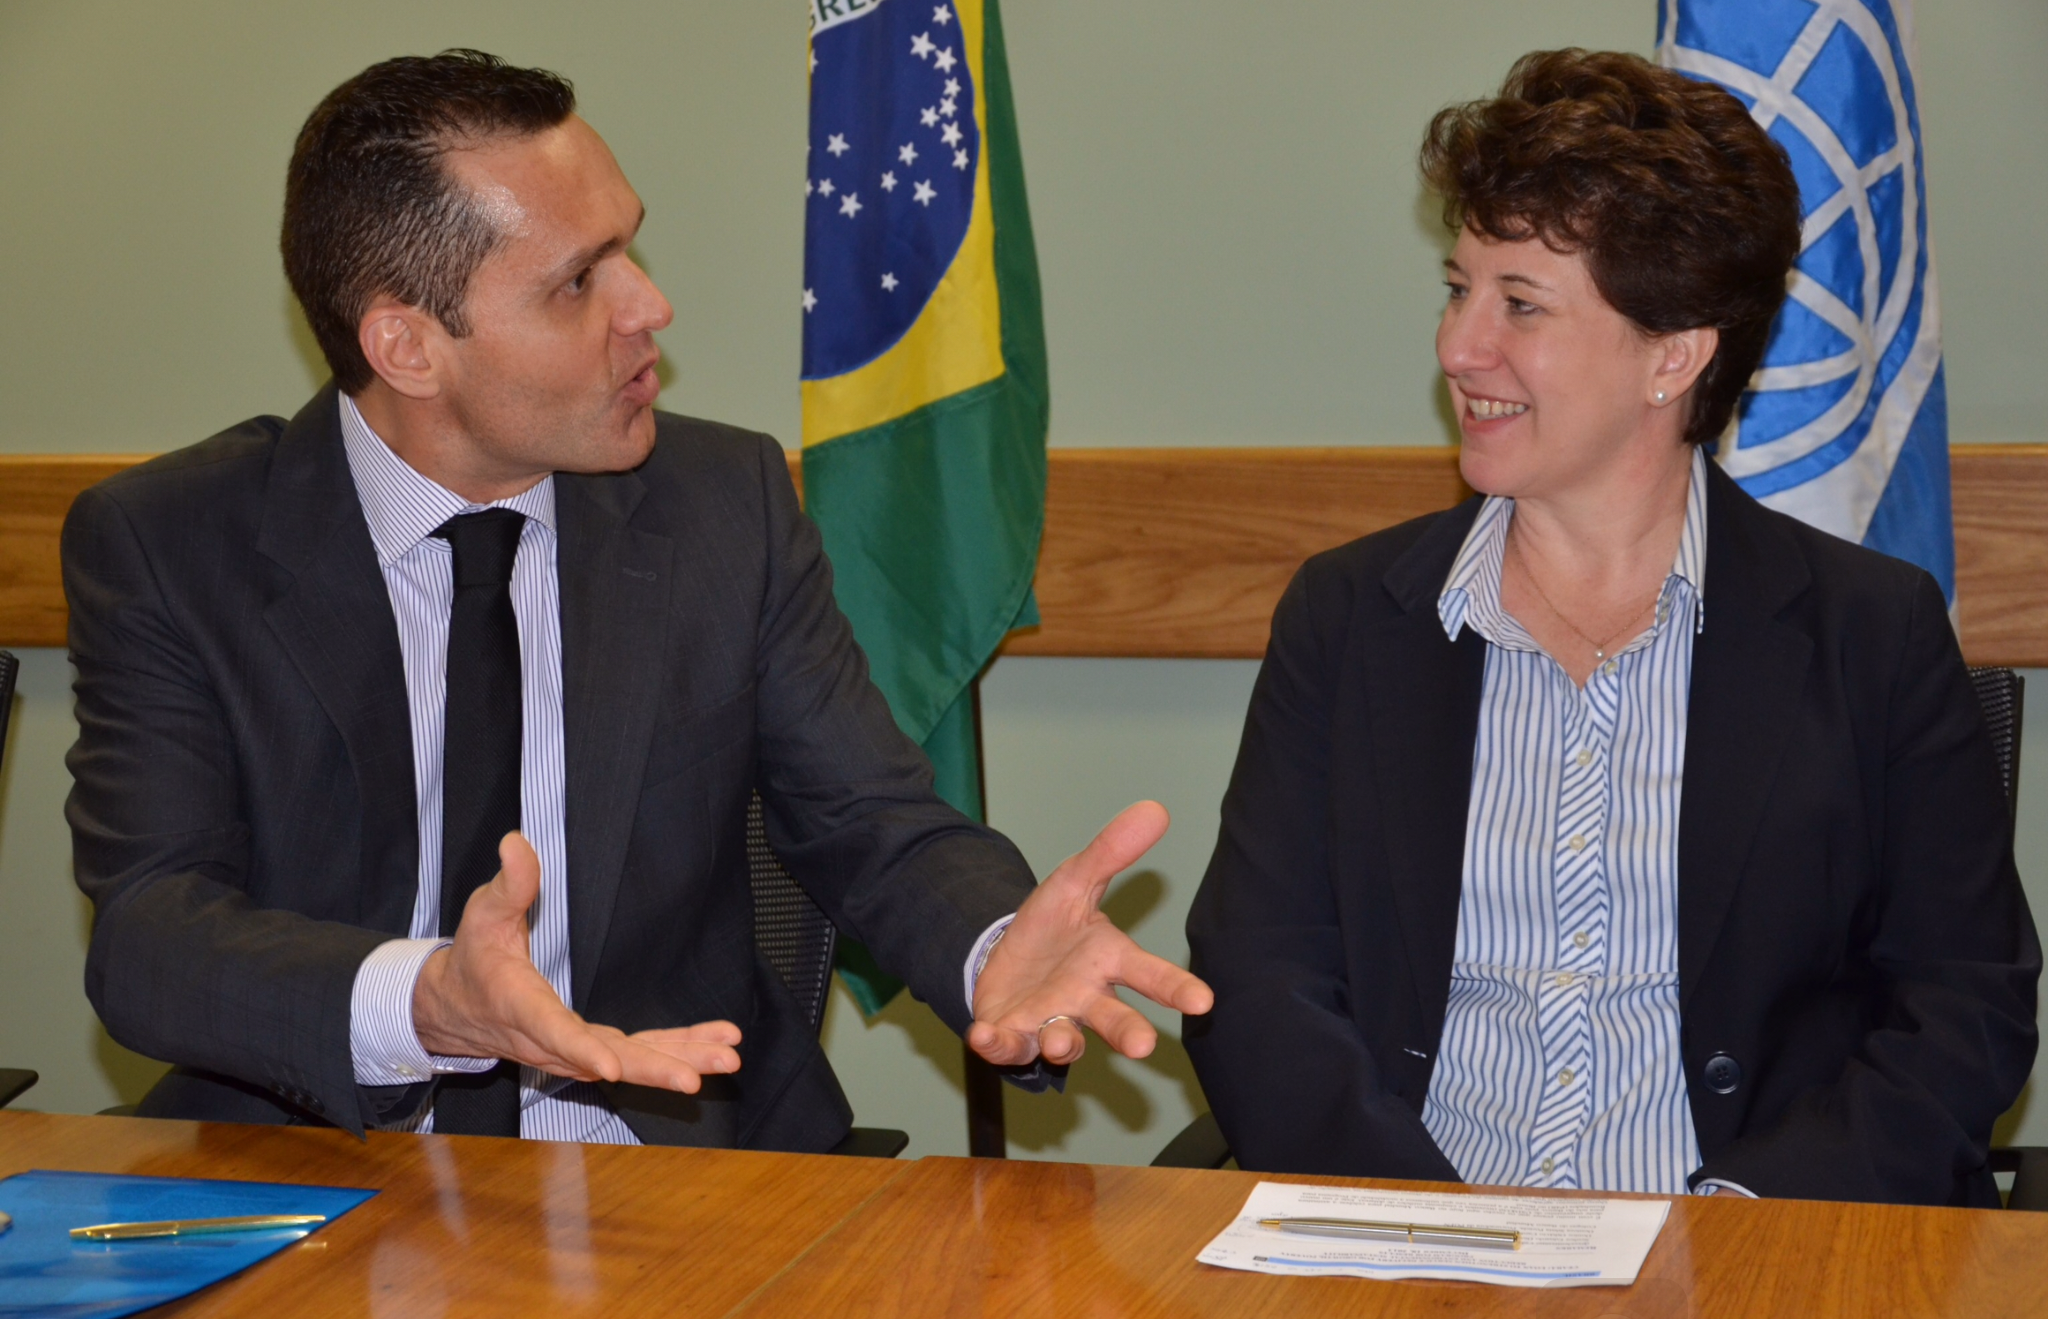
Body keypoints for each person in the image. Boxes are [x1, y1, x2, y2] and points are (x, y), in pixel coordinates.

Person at [64, 50, 1210, 1149]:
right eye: (577, 281)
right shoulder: (171, 546)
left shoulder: (721, 504)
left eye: (630, 248)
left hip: (661, 1158)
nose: (648, 306)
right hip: (318, 1166)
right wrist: (425, 1003)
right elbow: (152, 934)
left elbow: (867, 820)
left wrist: (990, 944)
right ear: (407, 347)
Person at [1183, 49, 2038, 1206]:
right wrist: (1426, 1233)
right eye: (1456, 288)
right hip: (1415, 1237)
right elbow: (1256, 982)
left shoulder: (1868, 632)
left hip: (1750, 1250)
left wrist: (1732, 1230)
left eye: (1519, 304)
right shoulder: (1346, 615)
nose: (1457, 347)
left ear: (1672, 356)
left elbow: (1963, 1005)